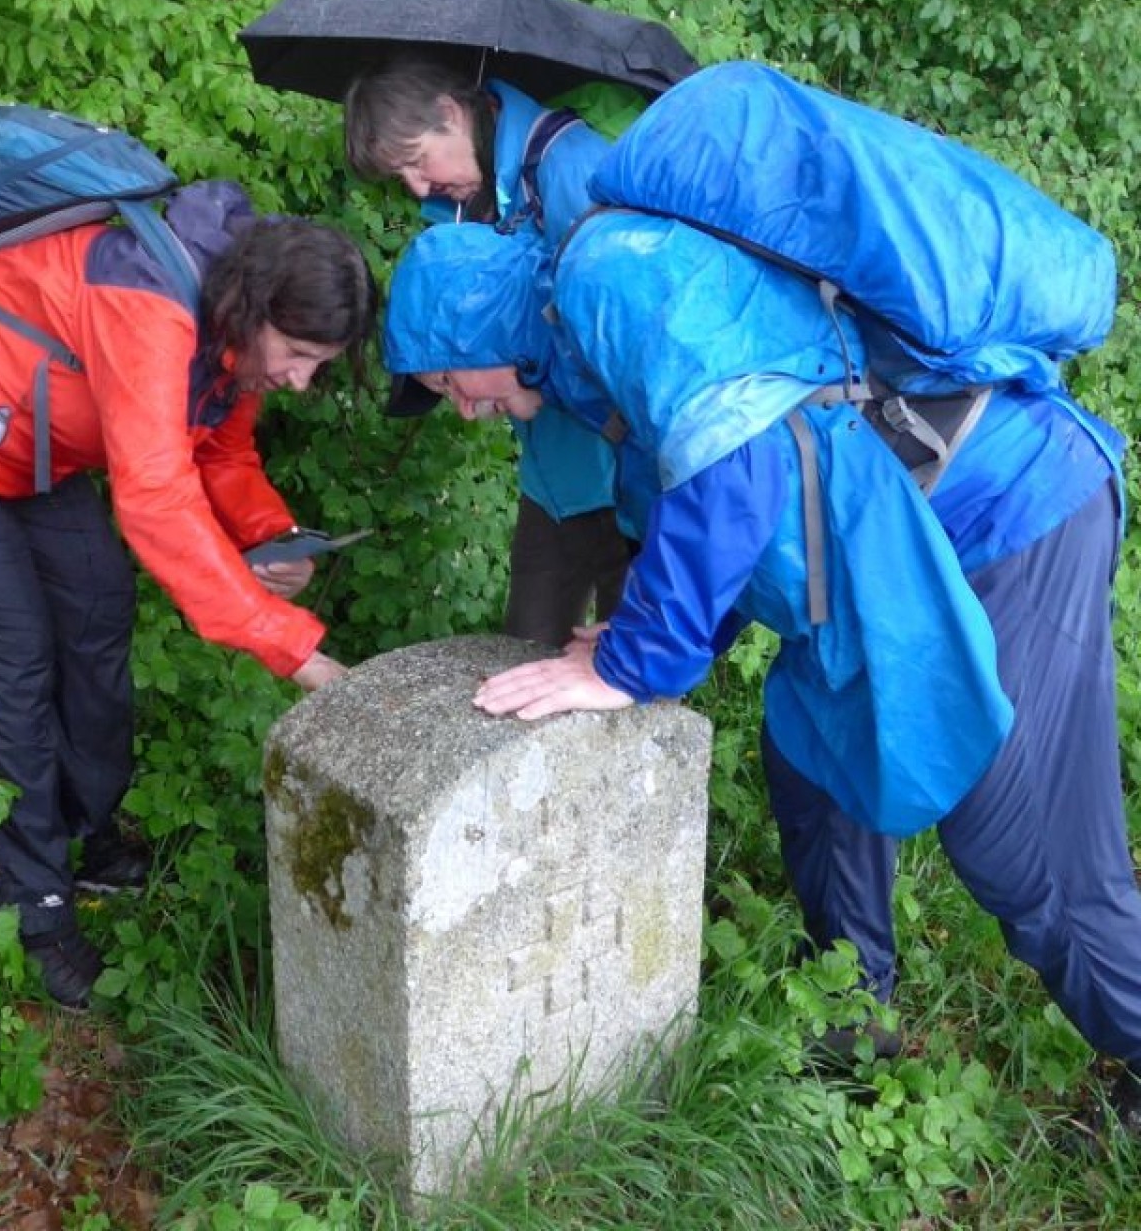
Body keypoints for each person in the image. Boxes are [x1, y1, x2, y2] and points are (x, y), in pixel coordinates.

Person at [382, 215, 1141, 1121]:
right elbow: (733, 508)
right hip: (879, 554)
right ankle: (856, 1020)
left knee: (1023, 850)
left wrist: (632, 664)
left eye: (446, 380)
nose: (462, 408)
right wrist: (649, 642)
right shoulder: (580, 366)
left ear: (476, 329)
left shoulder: (614, 292)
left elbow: (734, 469)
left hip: (1009, 514)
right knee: (813, 760)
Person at [0, 179, 377, 1008]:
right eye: (302, 357)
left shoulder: (233, 326)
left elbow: (218, 455)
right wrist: (295, 651)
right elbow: (157, 500)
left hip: (14, 430)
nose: (301, 381)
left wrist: (270, 535)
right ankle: (30, 908)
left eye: (318, 366)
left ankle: (84, 826)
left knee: (99, 601)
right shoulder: (152, 307)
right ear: (257, 310)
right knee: (6, 658)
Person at [344, 55, 634, 647]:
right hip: (552, 486)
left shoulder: (570, 169)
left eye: (416, 162)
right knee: (522, 668)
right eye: (402, 178)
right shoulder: (469, 202)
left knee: (632, 690)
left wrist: (520, 383)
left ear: (451, 114)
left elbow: (625, 333)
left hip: (623, 480)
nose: (418, 188)